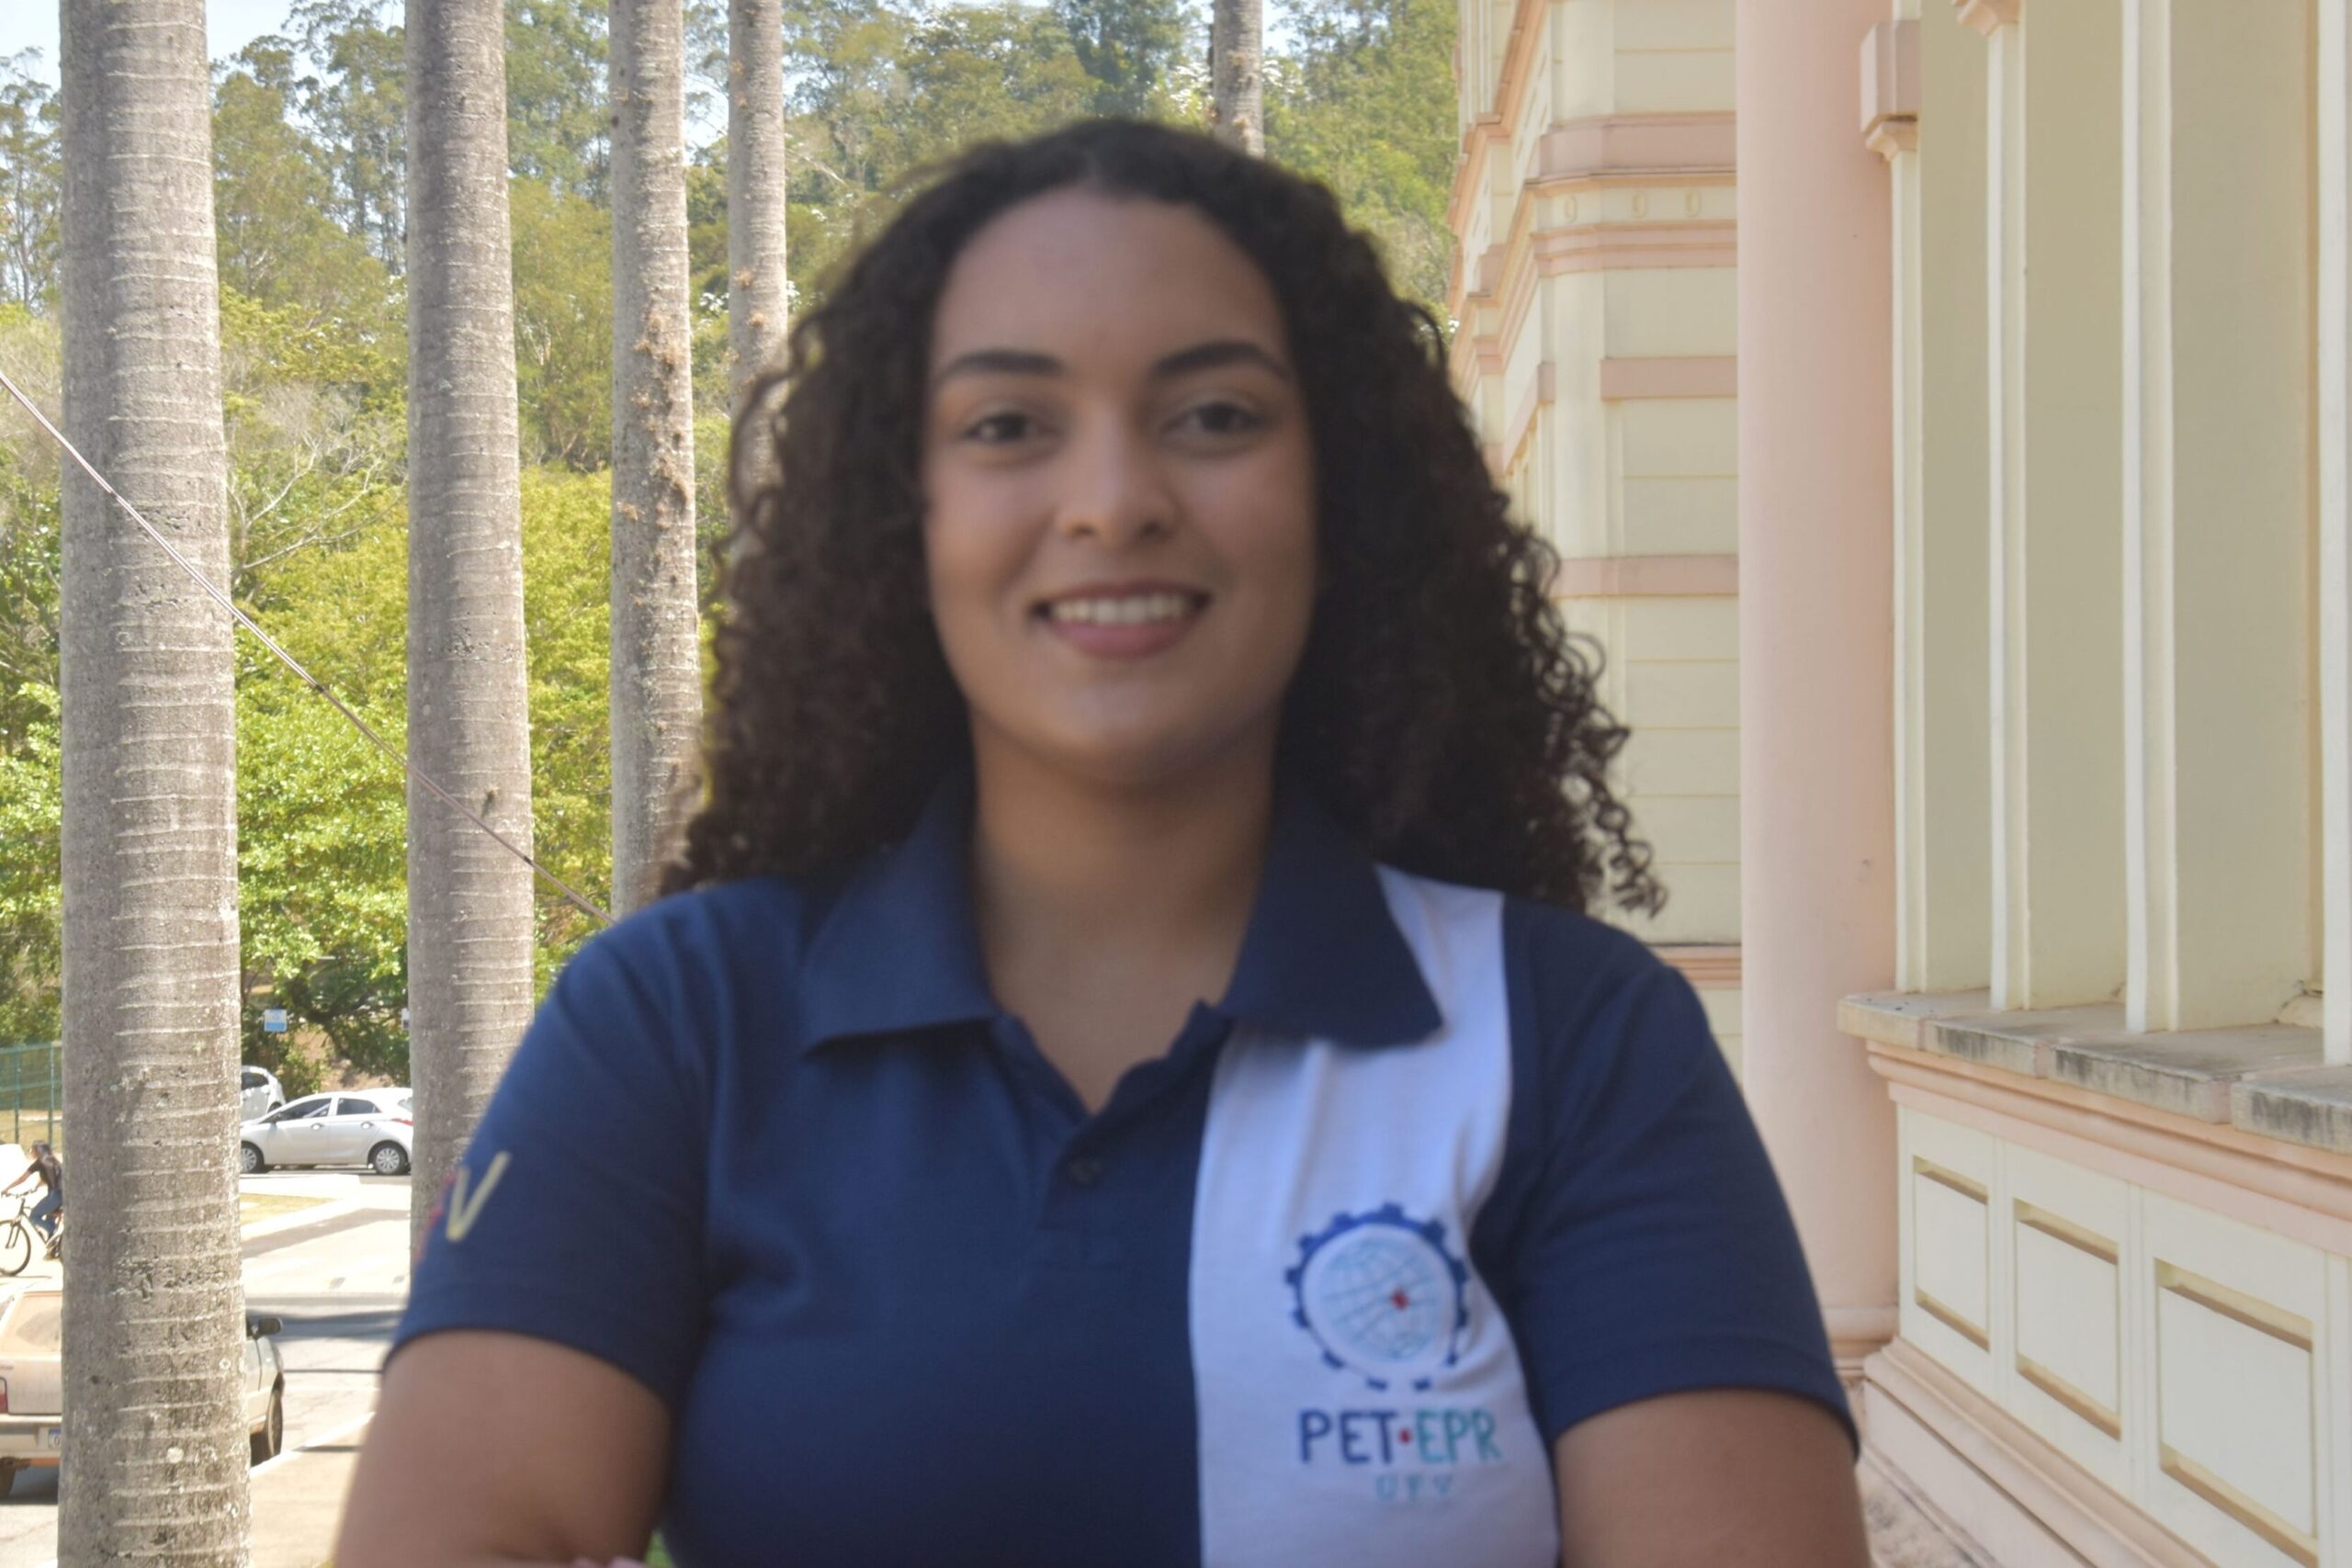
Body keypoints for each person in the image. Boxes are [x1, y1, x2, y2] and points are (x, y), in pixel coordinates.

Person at [339, 119, 1871, 1568]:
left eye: (1215, 416)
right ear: (905, 514)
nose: (1116, 500)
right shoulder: (679, 1021)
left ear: (1338, 497)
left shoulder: (1575, 1038)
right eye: (1010, 425)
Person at [4, 1142, 60, 1243]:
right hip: (60, 1194)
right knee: (49, 1218)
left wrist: (7, 1189)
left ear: (38, 1151)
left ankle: (54, 1231)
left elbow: (22, 1179)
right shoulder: (51, 1159)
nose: (30, 1152)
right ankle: (53, 1246)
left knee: (34, 1216)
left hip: (55, 1195)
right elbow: (48, 1177)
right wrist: (36, 1186)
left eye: (32, 1150)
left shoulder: (39, 1162)